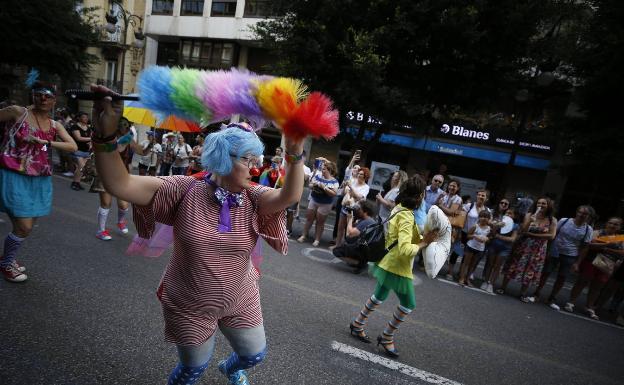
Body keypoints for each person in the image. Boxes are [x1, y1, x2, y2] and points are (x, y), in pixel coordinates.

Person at [90, 83, 306, 385]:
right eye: (247, 160)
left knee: (254, 355)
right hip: (189, 303)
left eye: (257, 161)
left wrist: (295, 155)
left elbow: (289, 196)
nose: (255, 169)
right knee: (191, 371)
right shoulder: (183, 189)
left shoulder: (255, 197)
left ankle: (231, 370)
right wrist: (105, 136)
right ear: (221, 156)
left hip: (241, 296)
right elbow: (120, 184)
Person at [348, 176, 437, 358]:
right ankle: (387, 337)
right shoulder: (406, 214)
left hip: (388, 260)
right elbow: (405, 249)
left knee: (379, 295)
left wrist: (422, 237)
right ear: (420, 196)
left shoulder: (399, 208)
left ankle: (358, 324)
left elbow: (400, 237)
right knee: (408, 304)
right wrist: (424, 243)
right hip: (398, 266)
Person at [0, 76, 78, 282]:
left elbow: (73, 146)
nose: (43, 98)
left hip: (40, 178)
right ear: (33, 96)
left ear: (54, 100)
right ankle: (6, 265)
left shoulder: (54, 125)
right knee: (24, 226)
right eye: (39, 95)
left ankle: (7, 258)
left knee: (26, 227)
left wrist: (46, 141)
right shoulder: (18, 112)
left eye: (48, 95)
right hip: (14, 173)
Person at [563, 217, 624, 319]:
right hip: (591, 261)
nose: (612, 225)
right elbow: (589, 244)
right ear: (606, 223)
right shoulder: (597, 232)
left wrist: (604, 247)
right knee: (582, 282)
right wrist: (609, 245)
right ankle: (571, 302)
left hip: (608, 264)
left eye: (616, 224)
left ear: (620, 227)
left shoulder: (621, 238)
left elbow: (622, 252)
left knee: (597, 287)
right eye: (610, 223)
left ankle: (589, 307)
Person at [535, 205, 594, 309]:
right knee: (546, 273)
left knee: (562, 277)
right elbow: (553, 235)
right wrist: (547, 250)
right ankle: (536, 293)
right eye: (580, 212)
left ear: (589, 216)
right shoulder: (564, 221)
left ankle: (552, 298)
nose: (581, 215)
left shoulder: (588, 229)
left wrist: (577, 263)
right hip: (555, 250)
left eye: (585, 214)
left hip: (570, 255)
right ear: (576, 212)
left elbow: (585, 247)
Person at [499, 198, 557, 302]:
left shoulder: (552, 220)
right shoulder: (529, 215)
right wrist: (529, 222)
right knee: (514, 264)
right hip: (524, 245)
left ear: (548, 206)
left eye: (544, 203)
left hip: (538, 249)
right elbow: (523, 230)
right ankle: (503, 287)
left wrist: (532, 234)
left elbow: (552, 236)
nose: (541, 205)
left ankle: (523, 293)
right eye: (539, 203)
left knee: (531, 269)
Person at [297, 160, 339, 247]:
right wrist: (314, 185)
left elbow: (334, 193)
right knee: (309, 218)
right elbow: (310, 185)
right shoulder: (318, 176)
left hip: (325, 203)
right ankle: (304, 235)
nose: (322, 170)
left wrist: (324, 188)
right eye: (322, 169)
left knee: (320, 222)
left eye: (324, 169)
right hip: (314, 199)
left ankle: (317, 239)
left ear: (329, 170)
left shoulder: (334, 181)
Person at [481, 206, 518, 293]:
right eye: (507, 213)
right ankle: (485, 281)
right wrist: (496, 226)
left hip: (504, 249)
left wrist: (498, 236)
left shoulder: (515, 226)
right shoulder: (498, 222)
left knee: (497, 266)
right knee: (490, 264)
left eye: (510, 213)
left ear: (514, 216)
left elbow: (512, 239)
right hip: (494, 246)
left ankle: (491, 284)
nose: (508, 215)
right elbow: (492, 233)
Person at [333, 167, 370, 248]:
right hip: (345, 206)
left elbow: (360, 197)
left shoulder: (366, 187)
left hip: (354, 210)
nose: (359, 175)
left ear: (365, 176)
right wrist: (351, 191)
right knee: (340, 228)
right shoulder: (353, 181)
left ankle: (346, 247)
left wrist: (352, 190)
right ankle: (337, 245)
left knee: (349, 230)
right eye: (359, 173)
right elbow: (347, 192)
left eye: (361, 174)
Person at [436, 179, 463, 280]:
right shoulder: (444, 195)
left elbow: (452, 212)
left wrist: (441, 205)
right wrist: (439, 199)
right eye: (450, 185)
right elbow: (435, 205)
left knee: (447, 249)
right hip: (440, 225)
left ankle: (448, 271)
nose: (451, 188)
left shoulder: (458, 199)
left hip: (451, 228)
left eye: (454, 186)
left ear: (458, 188)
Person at [459, 210, 492, 287]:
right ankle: (461, 278)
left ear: (489, 219)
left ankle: (467, 279)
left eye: (486, 217)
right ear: (479, 217)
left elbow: (490, 237)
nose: (484, 219)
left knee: (473, 265)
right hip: (471, 246)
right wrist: (474, 236)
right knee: (466, 263)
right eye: (482, 216)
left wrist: (487, 239)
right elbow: (468, 235)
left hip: (480, 249)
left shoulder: (489, 229)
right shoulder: (475, 226)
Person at [333, 152, 361, 241]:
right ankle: (335, 238)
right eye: (354, 168)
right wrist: (353, 159)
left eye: (358, 169)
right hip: (343, 199)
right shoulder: (348, 177)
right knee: (339, 220)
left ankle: (346, 240)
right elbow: (348, 169)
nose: (355, 169)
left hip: (352, 202)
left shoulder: (359, 181)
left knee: (349, 222)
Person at [344, 200, 377, 274]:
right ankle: (360, 262)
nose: (357, 210)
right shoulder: (369, 220)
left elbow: (350, 233)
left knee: (342, 247)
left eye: (359, 209)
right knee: (349, 240)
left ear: (365, 212)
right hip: (367, 246)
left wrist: (350, 219)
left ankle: (361, 263)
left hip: (366, 248)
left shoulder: (367, 221)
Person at [69, 111, 92, 190]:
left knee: (81, 168)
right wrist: (91, 139)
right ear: (79, 118)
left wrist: (90, 143)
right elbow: (78, 138)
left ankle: (76, 183)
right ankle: (75, 183)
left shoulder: (88, 127)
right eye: (84, 117)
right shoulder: (75, 127)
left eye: (86, 117)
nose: (86, 118)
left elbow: (90, 138)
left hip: (86, 151)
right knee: (81, 167)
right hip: (77, 150)